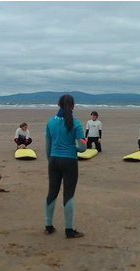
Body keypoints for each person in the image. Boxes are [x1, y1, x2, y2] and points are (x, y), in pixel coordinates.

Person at [45, 94, 87, 239]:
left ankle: (48, 226)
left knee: (52, 192)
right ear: (73, 106)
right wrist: (73, 148)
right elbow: (82, 147)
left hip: (54, 160)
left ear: (59, 105)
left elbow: (48, 146)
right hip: (69, 161)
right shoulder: (76, 123)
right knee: (68, 195)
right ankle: (69, 230)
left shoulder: (50, 122)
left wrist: (51, 160)